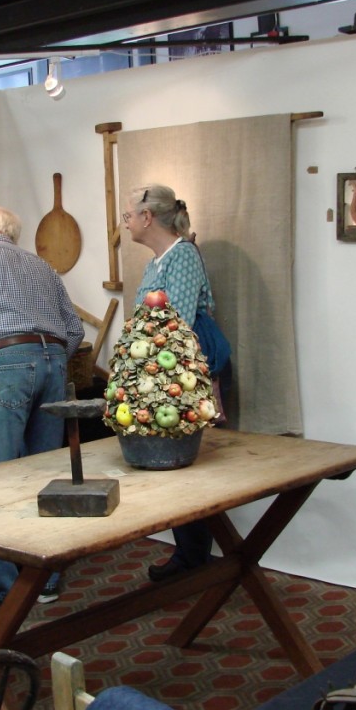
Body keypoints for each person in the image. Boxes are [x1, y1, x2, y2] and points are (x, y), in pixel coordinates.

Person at [0, 205, 84, 615]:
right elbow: (75, 329)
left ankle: (4, 588)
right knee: (45, 475)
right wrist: (53, 360)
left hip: (6, 360)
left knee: (1, 476)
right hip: (54, 362)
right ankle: (47, 578)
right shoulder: (43, 267)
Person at [124, 184, 224, 581]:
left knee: (185, 471)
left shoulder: (181, 256)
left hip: (177, 377)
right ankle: (191, 555)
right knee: (174, 469)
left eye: (128, 215)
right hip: (159, 376)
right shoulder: (158, 261)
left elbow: (175, 323)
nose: (125, 223)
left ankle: (194, 558)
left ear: (147, 217)